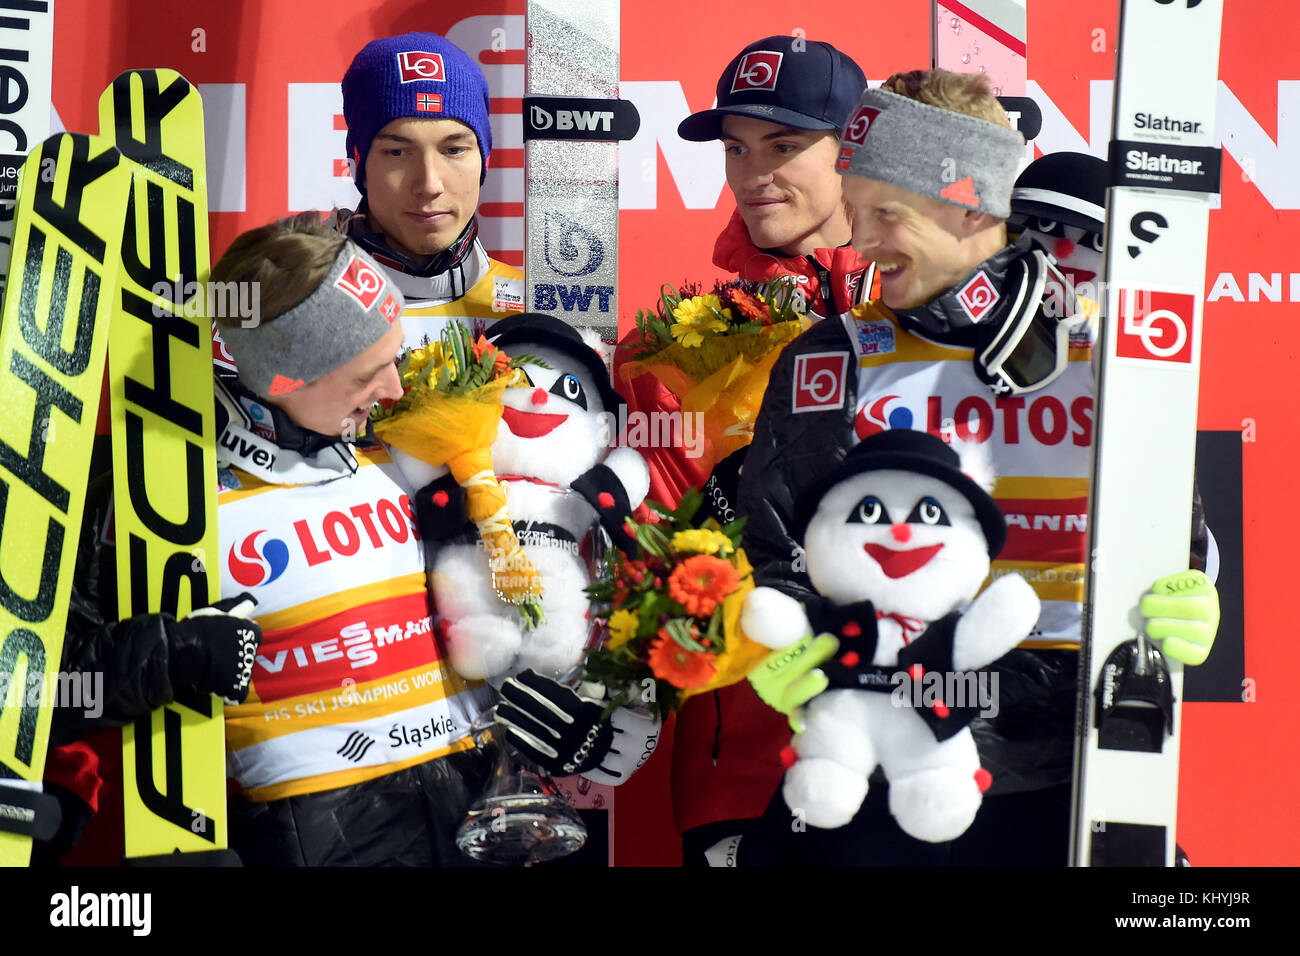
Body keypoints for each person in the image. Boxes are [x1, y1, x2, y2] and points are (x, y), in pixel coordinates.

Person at [732, 69, 1220, 865]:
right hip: (891, 766)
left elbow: (1179, 535)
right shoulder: (836, 355)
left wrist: (1189, 593)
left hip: (1072, 776)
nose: (860, 243)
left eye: (885, 213)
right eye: (855, 214)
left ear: (970, 203)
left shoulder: (1104, 347)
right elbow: (775, 548)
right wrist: (795, 650)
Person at [58, 214, 497, 865]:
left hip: (481, 819)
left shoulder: (411, 445)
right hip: (320, 839)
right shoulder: (154, 487)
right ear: (282, 379)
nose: (395, 389)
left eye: (394, 359)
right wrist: (168, 655)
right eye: (364, 376)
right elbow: (36, 688)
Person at [618, 35, 873, 866]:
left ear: (855, 145)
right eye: (737, 148)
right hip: (747, 766)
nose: (755, 172)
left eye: (786, 145)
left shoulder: (928, 318)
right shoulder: (676, 351)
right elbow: (649, 560)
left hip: (920, 748)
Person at [334, 32, 526, 351]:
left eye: (453, 150)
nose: (429, 185)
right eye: (397, 153)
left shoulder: (528, 307)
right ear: (360, 166)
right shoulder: (284, 302)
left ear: (484, 161)